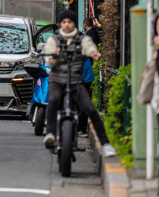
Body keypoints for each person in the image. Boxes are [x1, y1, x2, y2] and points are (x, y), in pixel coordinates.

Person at [43, 9, 116, 157]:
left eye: (70, 22)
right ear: (61, 24)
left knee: (90, 109)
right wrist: (54, 57)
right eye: (64, 22)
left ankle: (106, 144)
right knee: (53, 100)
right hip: (57, 80)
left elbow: (89, 47)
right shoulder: (53, 40)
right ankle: (50, 133)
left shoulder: (82, 38)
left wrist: (93, 53)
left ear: (74, 24)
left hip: (76, 81)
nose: (67, 24)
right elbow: (48, 59)